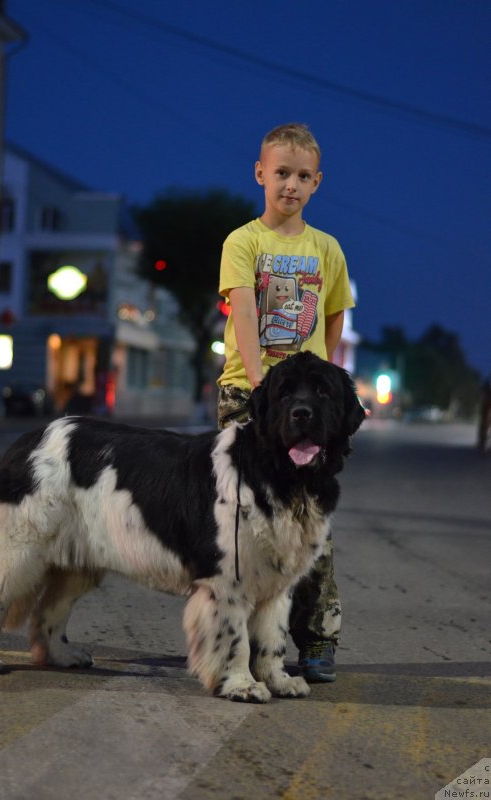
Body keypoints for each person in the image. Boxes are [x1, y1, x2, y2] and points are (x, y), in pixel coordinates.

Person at [216, 122, 355, 682]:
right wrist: (257, 385)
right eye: (281, 174)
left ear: (317, 182)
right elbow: (244, 311)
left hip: (309, 402)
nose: (290, 185)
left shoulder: (327, 249)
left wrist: (320, 378)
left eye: (302, 176)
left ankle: (317, 638)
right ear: (260, 174)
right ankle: (239, 637)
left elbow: (334, 316)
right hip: (247, 395)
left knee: (309, 525)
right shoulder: (243, 242)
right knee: (240, 524)